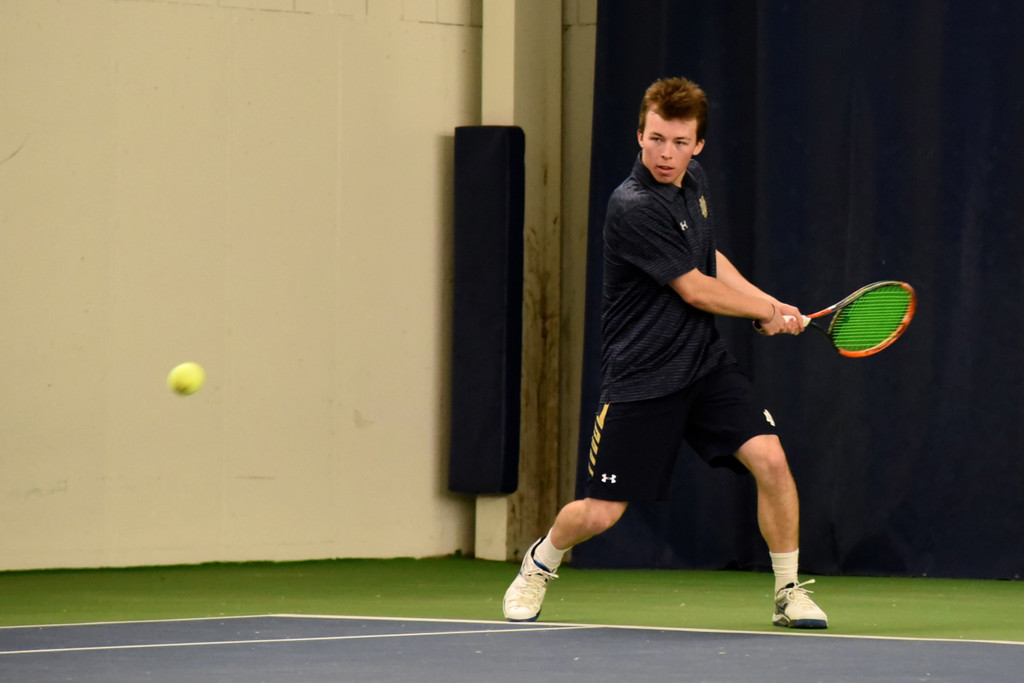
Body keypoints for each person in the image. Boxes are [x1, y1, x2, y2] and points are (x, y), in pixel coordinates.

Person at [502, 77, 828, 629]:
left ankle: (788, 591)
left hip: (703, 365)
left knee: (771, 461)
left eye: (679, 142)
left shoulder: (691, 184)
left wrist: (768, 302)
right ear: (639, 135)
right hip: (642, 378)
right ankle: (540, 562)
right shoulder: (632, 206)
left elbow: (707, 257)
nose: (665, 154)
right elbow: (694, 288)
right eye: (655, 139)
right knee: (601, 513)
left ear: (697, 145)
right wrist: (762, 314)